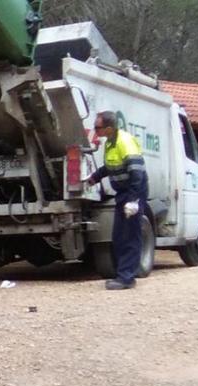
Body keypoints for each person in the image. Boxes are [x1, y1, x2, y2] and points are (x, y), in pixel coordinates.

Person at [85, 111, 148, 290]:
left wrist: (134, 200)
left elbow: (138, 173)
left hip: (133, 191)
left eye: (98, 127)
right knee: (119, 236)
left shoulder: (124, 142)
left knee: (130, 235)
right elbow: (110, 167)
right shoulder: (110, 143)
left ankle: (127, 278)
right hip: (123, 192)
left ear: (109, 128)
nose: (95, 130)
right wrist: (94, 178)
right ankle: (123, 274)